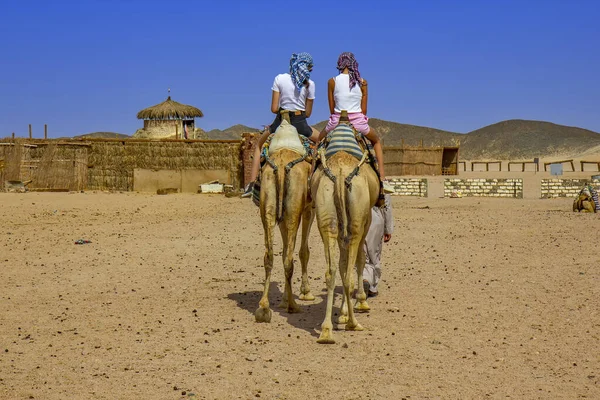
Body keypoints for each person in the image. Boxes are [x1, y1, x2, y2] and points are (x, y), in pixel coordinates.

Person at [242, 52, 319, 197]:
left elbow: (273, 108)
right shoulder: (310, 84)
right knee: (321, 141)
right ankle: (313, 181)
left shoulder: (279, 78)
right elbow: (308, 113)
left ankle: (251, 185)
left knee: (259, 146)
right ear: (306, 67)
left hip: (280, 121)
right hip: (300, 123)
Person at [317, 51, 394, 193]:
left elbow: (332, 110)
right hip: (358, 123)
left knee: (317, 143)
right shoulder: (363, 82)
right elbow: (363, 111)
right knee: (376, 141)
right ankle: (383, 178)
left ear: (340, 64)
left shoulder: (332, 81)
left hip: (337, 121)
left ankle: (311, 180)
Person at [362, 193, 394, 297]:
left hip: (359, 219)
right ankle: (372, 286)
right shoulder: (380, 182)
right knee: (374, 255)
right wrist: (388, 229)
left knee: (363, 255)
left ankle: (365, 278)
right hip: (376, 219)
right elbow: (387, 205)